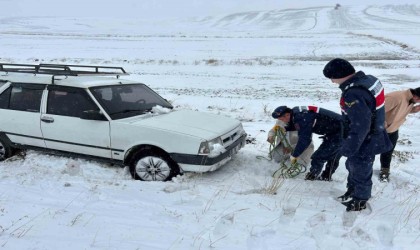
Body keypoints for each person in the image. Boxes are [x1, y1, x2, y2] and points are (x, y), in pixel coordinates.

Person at [323, 58, 392, 212]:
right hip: (373, 134)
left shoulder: (354, 93)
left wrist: (349, 147)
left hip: (364, 140)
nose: (333, 82)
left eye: (332, 78)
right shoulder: (369, 80)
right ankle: (352, 190)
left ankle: (360, 200)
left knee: (360, 169)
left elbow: (361, 125)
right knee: (352, 166)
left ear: (339, 75)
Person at [270, 105, 343, 181]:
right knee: (333, 155)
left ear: (287, 115)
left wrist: (294, 155)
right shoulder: (297, 112)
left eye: (281, 119)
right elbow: (301, 125)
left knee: (318, 157)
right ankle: (326, 177)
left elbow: (305, 140)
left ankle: (312, 178)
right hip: (340, 130)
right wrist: (286, 128)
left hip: (341, 133)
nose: (282, 121)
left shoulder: (301, 117)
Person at [380, 87, 420, 182]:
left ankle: (384, 171)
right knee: (370, 152)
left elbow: (400, 109)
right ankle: (364, 172)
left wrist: (413, 110)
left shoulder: (410, 100)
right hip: (380, 130)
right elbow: (376, 109)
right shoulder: (397, 97)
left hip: (393, 129)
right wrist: (381, 123)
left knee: (388, 151)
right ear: (416, 96)